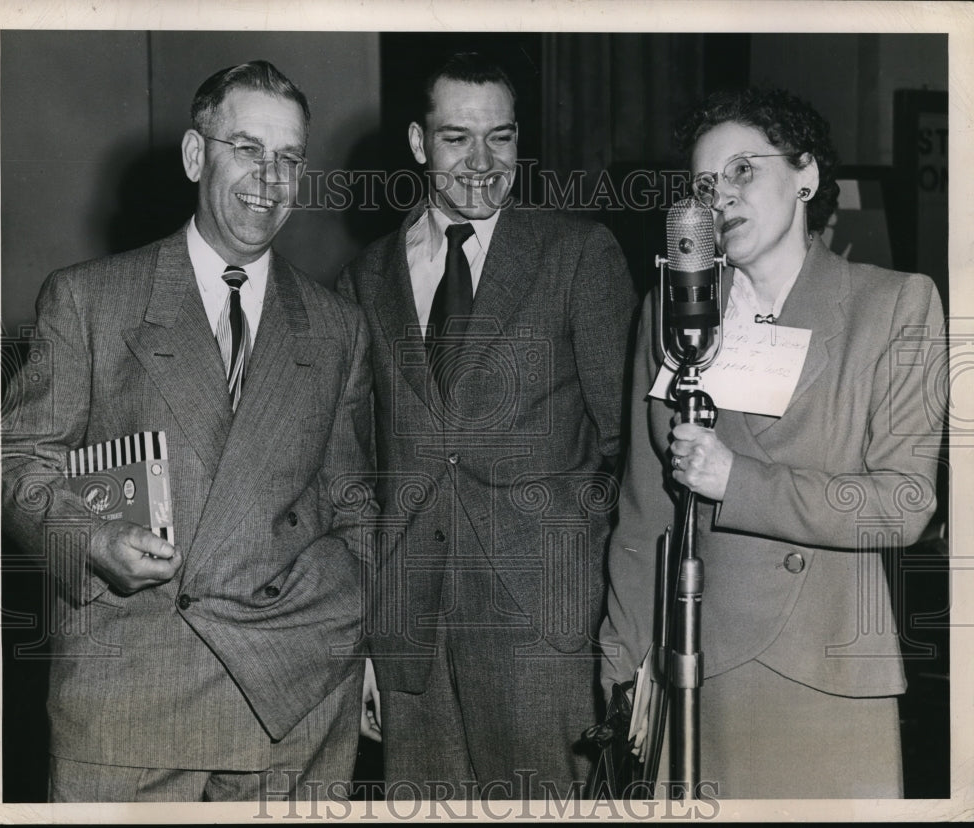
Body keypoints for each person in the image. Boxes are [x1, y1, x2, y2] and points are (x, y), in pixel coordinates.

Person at [2, 60, 376, 802]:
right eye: (247, 148)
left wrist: (350, 634)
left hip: (292, 709)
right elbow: (18, 466)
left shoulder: (339, 329)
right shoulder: (87, 301)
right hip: (130, 702)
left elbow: (352, 501)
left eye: (290, 158)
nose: (270, 179)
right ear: (195, 155)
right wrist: (96, 543)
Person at [600, 87, 946, 798]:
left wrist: (737, 480)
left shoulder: (894, 306)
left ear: (808, 176)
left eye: (742, 170)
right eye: (703, 183)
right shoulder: (670, 312)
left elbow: (904, 503)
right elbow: (643, 515)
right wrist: (620, 660)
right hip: (694, 666)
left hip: (825, 675)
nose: (719, 195)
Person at [337, 52, 636, 799]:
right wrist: (365, 646)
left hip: (544, 636)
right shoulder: (365, 278)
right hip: (411, 643)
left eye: (500, 138)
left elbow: (625, 448)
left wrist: (596, 609)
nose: (481, 163)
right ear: (416, 143)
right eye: (456, 139)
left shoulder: (578, 254)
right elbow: (354, 472)